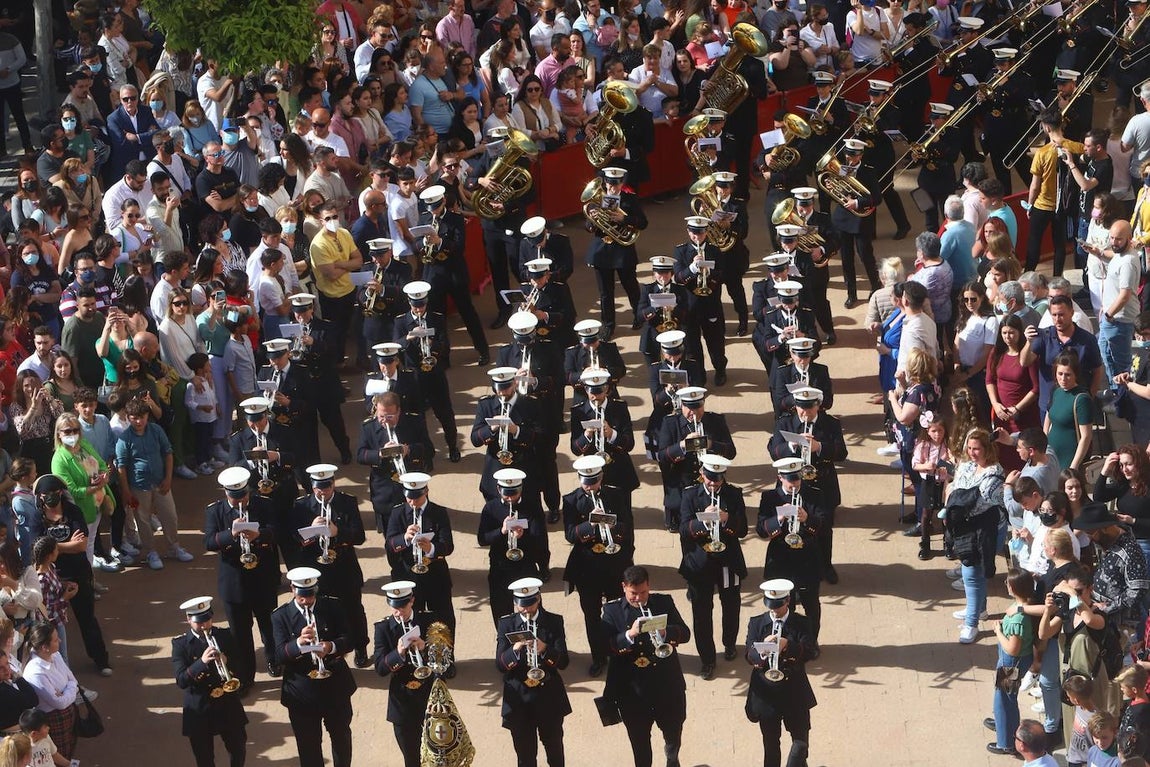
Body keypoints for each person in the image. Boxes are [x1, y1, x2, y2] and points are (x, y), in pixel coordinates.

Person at [600, 565, 689, 767]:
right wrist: (629, 634)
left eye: (643, 592)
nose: (639, 598)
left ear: (649, 586)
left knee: (673, 731)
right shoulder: (612, 611)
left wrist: (666, 632)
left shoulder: (663, 602)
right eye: (633, 593)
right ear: (624, 587)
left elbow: (685, 633)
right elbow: (605, 646)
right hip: (632, 691)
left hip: (666, 684)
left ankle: (672, 758)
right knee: (639, 743)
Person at [271, 566, 357, 767]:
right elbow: (277, 655)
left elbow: (349, 639)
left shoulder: (332, 607)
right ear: (292, 589)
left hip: (335, 686)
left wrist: (331, 646)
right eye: (302, 596)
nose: (307, 600)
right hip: (302, 692)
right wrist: (298, 644)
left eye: (310, 595)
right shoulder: (280, 616)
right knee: (308, 746)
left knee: (342, 738)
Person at [203, 466, 281, 687]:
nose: (241, 502)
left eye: (244, 496)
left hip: (262, 578)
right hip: (234, 583)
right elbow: (208, 542)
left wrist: (260, 535)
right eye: (235, 497)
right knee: (240, 633)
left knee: (268, 624)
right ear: (226, 493)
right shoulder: (215, 511)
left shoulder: (262, 505)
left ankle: (274, 660)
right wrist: (231, 534)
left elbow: (277, 532)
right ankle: (246, 676)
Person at [291, 464, 369, 668]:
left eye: (326, 487)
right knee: (323, 611)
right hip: (317, 569)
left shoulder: (347, 502)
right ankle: (330, 650)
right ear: (312, 486)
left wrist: (337, 532)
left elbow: (359, 536)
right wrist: (312, 532)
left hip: (344, 567)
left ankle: (360, 646)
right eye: (318, 487)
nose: (323, 491)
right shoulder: (302, 506)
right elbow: (293, 538)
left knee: (353, 609)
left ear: (333, 483)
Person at [677, 454, 745, 680]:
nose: (713, 483)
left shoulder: (733, 494)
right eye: (709, 478)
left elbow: (743, 529)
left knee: (731, 607)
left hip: (728, 561)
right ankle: (707, 659)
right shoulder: (689, 495)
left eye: (718, 479)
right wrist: (703, 521)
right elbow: (684, 529)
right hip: (700, 564)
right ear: (702, 474)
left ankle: (730, 643)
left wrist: (726, 518)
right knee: (701, 614)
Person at [495, 576, 571, 767]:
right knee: (525, 756)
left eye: (530, 604)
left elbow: (563, 662)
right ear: (515, 603)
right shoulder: (507, 624)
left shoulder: (553, 621)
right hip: (520, 700)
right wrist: (515, 650)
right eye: (522, 605)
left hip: (549, 697)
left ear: (538, 599)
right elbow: (500, 665)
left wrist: (545, 649)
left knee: (555, 752)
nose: (527, 610)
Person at [170, 595, 249, 767]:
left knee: (238, 748)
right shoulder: (180, 644)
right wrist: (201, 663)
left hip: (227, 704)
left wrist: (228, 663)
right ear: (188, 619)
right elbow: (181, 680)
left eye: (207, 620)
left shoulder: (224, 635)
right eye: (199, 622)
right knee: (204, 758)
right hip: (200, 707)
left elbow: (242, 667)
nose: (204, 625)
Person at [115, 397, 189, 571]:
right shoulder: (124, 439)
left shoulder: (156, 430)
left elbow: (168, 453)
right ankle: (150, 552)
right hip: (138, 487)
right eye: (134, 418)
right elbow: (121, 467)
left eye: (142, 416)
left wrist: (168, 479)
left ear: (148, 415)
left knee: (170, 516)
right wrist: (126, 491)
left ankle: (174, 547)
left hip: (160, 483)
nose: (139, 421)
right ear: (128, 417)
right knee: (143, 520)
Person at [947, 428, 1006, 644]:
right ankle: (979, 610)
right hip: (966, 526)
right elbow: (955, 486)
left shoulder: (995, 473)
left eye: (977, 449)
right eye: (969, 448)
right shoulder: (966, 464)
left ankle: (971, 624)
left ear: (987, 449)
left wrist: (957, 500)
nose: (972, 453)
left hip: (987, 530)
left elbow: (981, 503)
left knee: (973, 574)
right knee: (974, 574)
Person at [371, 580, 437, 767]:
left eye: (402, 607)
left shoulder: (428, 621)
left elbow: (445, 663)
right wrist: (398, 654)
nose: (399, 612)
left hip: (430, 696)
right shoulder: (382, 628)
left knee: (437, 753)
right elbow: (380, 669)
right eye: (394, 608)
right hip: (402, 700)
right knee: (411, 757)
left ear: (412, 601)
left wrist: (425, 648)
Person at [385, 472, 456, 634]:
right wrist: (404, 539)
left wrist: (430, 548)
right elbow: (389, 545)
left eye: (417, 498)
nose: (412, 502)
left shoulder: (438, 512)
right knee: (411, 623)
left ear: (426, 492)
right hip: (408, 577)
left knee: (443, 622)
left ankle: (445, 658)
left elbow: (448, 546)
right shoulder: (398, 513)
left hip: (435, 577)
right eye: (409, 498)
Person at [986, 573, 1037, 756]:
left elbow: (1012, 649)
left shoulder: (1019, 619)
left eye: (1007, 582)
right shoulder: (1025, 605)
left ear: (1013, 588)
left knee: (1005, 700)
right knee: (1003, 697)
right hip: (1012, 662)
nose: (1006, 584)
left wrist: (998, 631)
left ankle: (1006, 742)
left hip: (1011, 663)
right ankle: (1002, 724)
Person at [20, 622, 78, 760]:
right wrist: (70, 690)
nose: (60, 641)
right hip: (54, 718)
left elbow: (73, 680)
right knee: (59, 754)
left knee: (71, 747)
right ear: (44, 647)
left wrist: (66, 691)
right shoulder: (35, 672)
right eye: (55, 639)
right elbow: (59, 703)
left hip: (68, 713)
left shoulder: (56, 655)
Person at [1045, 354, 1094, 472]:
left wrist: (1074, 466)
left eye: (1068, 375)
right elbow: (1049, 415)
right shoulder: (1056, 391)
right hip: (1052, 453)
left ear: (1075, 375)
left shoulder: (1081, 398)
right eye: (1060, 374)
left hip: (1070, 456)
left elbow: (1086, 436)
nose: (1063, 379)